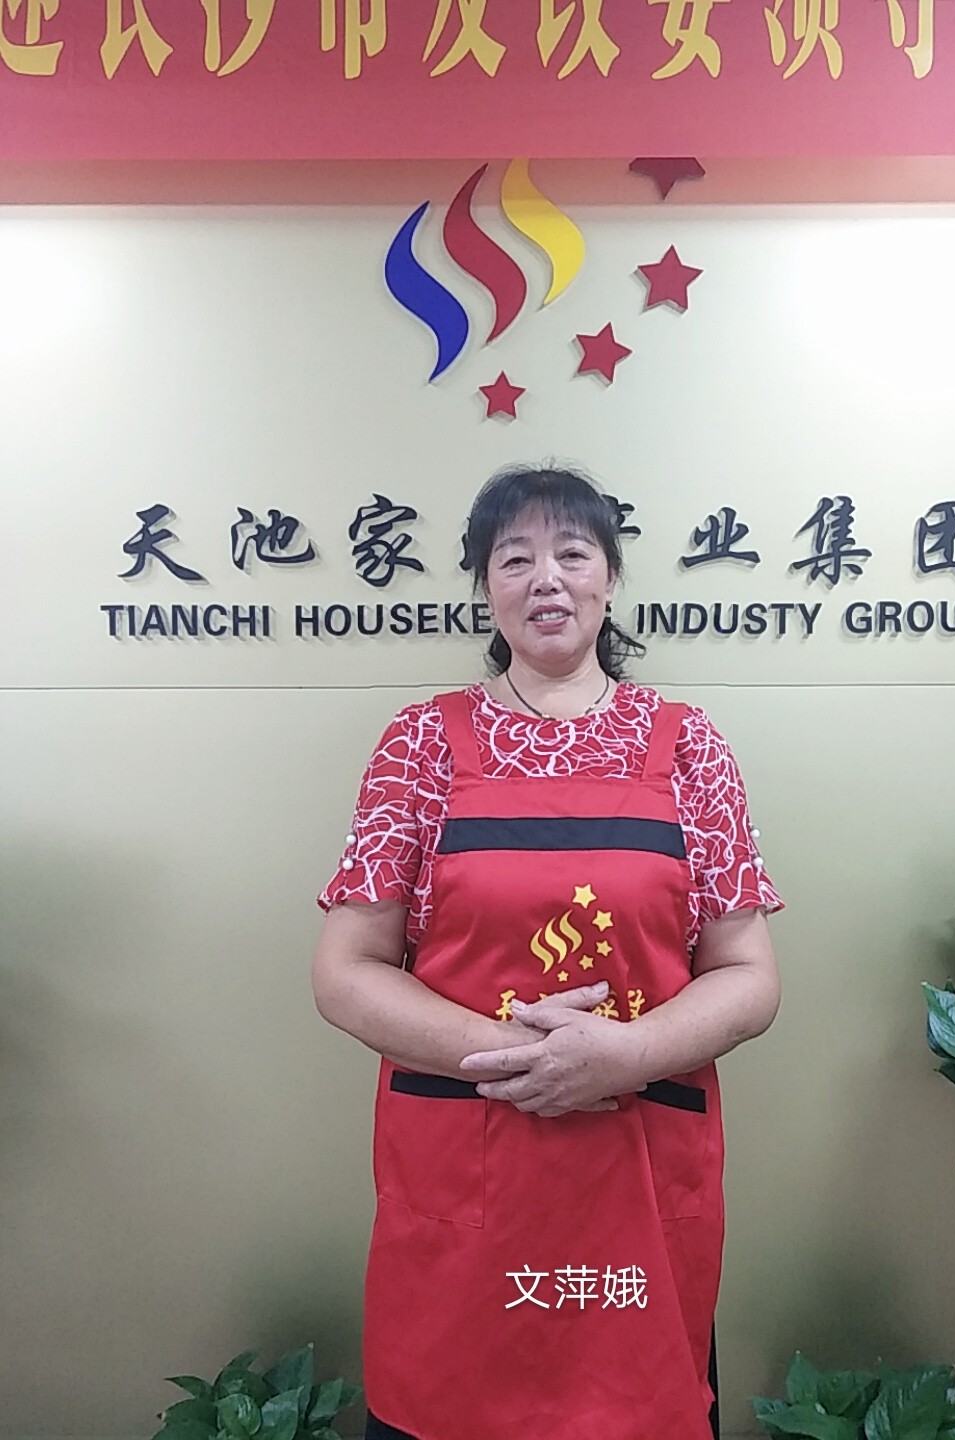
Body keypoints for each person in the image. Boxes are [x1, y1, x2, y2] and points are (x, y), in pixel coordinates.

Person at [311, 464, 782, 1440]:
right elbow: (346, 972)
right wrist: (519, 1056)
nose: (547, 579)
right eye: (514, 558)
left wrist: (627, 1052)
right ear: (486, 587)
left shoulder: (688, 748)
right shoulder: (420, 746)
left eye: (573, 552)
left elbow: (748, 976)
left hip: (637, 1166)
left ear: (610, 577)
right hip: (466, 1169)